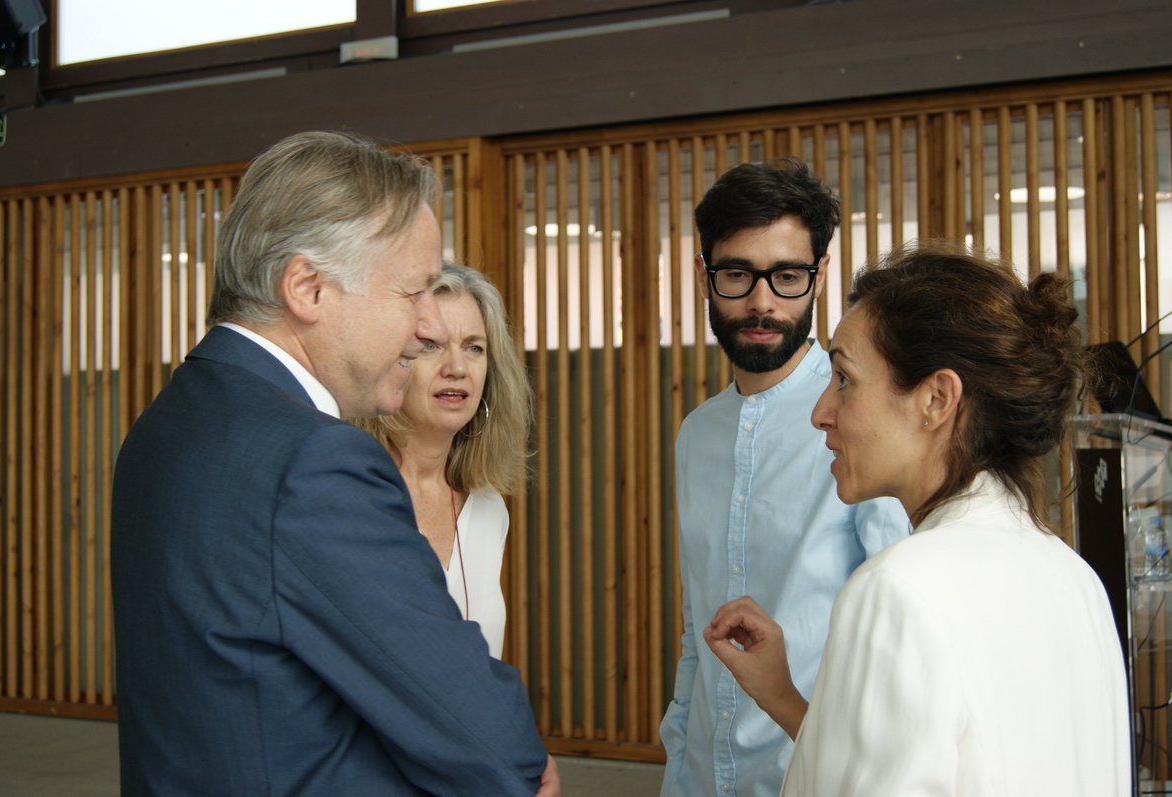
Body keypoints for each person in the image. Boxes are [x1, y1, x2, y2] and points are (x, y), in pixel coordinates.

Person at [111, 131, 558, 796]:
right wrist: (523, 766)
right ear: (308, 287)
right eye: (413, 293)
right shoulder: (313, 459)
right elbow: (476, 730)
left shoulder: (165, 424)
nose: (427, 327)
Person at [705, 243, 1130, 795]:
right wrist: (782, 697)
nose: (821, 413)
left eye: (844, 379)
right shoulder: (1075, 577)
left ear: (936, 399)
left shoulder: (896, 588)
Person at [659, 158, 909, 797]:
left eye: (788, 276)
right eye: (737, 274)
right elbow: (696, 631)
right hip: (704, 776)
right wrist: (680, 766)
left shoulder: (864, 425)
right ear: (704, 276)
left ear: (819, 275)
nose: (762, 302)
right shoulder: (696, 435)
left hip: (818, 774)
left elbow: (897, 638)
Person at [354, 262, 530, 659]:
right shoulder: (352, 495)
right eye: (431, 345)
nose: (457, 368)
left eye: (474, 348)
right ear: (392, 359)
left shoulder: (488, 509)